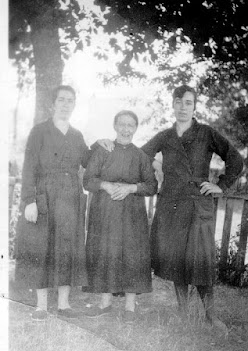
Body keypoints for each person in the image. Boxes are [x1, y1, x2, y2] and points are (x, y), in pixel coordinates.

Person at [141, 84, 243, 332]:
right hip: (172, 202)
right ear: (173, 105)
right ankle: (183, 312)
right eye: (179, 102)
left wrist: (221, 185)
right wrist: (157, 166)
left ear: (194, 106)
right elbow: (142, 154)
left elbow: (236, 159)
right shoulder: (165, 135)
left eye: (188, 102)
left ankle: (210, 316)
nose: (183, 107)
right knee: (177, 259)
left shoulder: (206, 133)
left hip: (198, 204)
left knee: (200, 259)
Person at [15, 85, 113, 321]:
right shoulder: (39, 131)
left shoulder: (76, 134)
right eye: (61, 100)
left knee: (67, 248)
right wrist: (29, 201)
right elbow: (29, 168)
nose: (66, 104)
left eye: (70, 100)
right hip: (45, 195)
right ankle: (41, 306)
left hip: (70, 196)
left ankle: (64, 305)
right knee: (42, 247)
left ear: (74, 105)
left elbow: (87, 160)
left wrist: (98, 144)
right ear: (53, 103)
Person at [83, 110, 158, 322]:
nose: (126, 129)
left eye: (130, 125)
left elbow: (152, 185)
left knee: (132, 254)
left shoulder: (141, 156)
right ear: (115, 126)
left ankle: (129, 307)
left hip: (132, 214)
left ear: (135, 129)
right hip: (104, 211)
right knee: (106, 251)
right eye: (122, 125)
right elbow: (88, 180)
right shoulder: (103, 151)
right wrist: (106, 185)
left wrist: (131, 188)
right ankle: (105, 303)